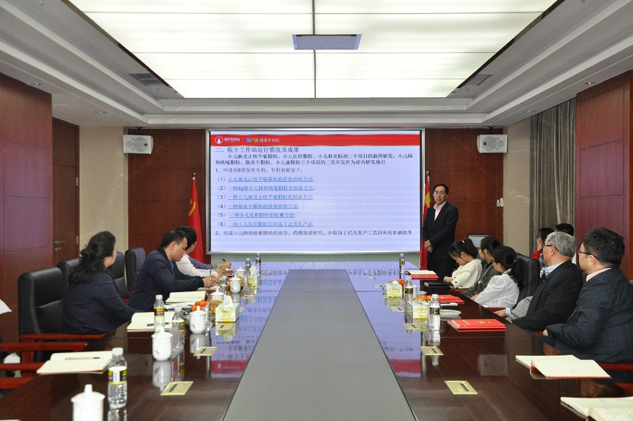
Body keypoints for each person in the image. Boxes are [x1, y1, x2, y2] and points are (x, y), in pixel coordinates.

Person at [544, 227, 633, 362]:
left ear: (591, 259)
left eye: (580, 252)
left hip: (604, 362)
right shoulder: (616, 278)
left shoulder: (600, 286)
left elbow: (582, 336)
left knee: (534, 345)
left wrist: (552, 329)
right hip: (608, 353)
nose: (578, 255)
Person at [497, 231, 583, 331]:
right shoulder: (558, 272)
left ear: (552, 250)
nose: (542, 249)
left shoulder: (566, 277)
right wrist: (510, 313)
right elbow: (537, 301)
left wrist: (514, 324)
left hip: (538, 335)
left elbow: (550, 315)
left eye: (544, 245)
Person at [61, 231, 140, 334]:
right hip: (88, 340)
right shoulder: (100, 281)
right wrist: (151, 316)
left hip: (86, 333)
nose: (116, 254)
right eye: (115, 251)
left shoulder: (82, 272)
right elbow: (122, 312)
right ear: (107, 259)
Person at [128, 230, 218, 311]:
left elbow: (181, 277)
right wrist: (201, 282)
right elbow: (171, 285)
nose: (184, 253)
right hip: (143, 310)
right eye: (183, 249)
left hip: (158, 307)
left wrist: (203, 279)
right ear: (173, 246)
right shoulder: (157, 260)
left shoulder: (168, 259)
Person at [422, 183, 459, 281]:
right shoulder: (430, 210)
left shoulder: (451, 210)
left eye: (442, 193)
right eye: (436, 192)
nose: (438, 195)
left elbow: (447, 230)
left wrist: (431, 242)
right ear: (433, 194)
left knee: (443, 283)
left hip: (444, 255)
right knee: (430, 283)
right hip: (431, 253)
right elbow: (425, 228)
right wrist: (427, 242)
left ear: (446, 195)